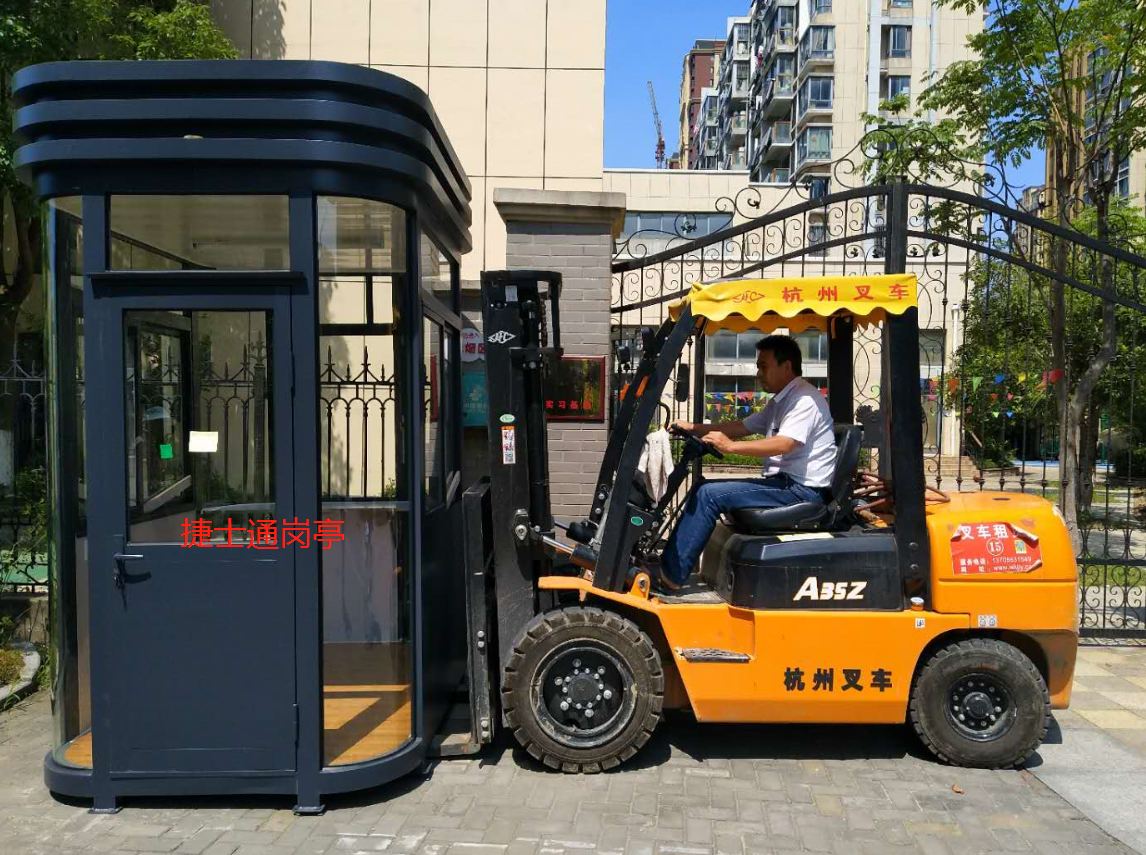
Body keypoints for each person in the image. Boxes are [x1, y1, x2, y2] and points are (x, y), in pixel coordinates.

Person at [656, 334, 837, 590]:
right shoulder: (782, 401)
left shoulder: (804, 400)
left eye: (763, 366)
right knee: (702, 487)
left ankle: (670, 578)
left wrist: (730, 447)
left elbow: (785, 443)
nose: (758, 372)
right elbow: (741, 426)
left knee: (709, 495)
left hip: (801, 491)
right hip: (785, 484)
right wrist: (694, 428)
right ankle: (669, 565)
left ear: (786, 367)